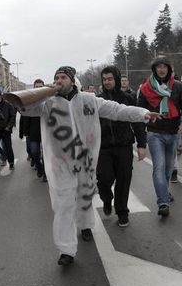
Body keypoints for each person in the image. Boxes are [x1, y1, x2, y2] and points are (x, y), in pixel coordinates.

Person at [19, 66, 158, 266]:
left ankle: (85, 225)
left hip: (86, 159)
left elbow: (117, 109)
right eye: (56, 77)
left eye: (63, 77)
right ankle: (66, 249)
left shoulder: (88, 99)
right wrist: (46, 91)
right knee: (63, 205)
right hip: (60, 164)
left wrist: (143, 113)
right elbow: (23, 107)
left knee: (85, 196)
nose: (59, 80)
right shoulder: (47, 104)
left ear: (72, 80)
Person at [137, 56, 182, 217]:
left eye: (164, 67)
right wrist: (141, 134)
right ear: (154, 70)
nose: (161, 69)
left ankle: (165, 191)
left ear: (169, 69)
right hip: (155, 134)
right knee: (159, 167)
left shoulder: (178, 86)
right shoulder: (146, 89)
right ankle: (162, 202)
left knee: (169, 167)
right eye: (158, 67)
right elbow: (139, 111)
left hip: (173, 132)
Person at [96, 66, 147, 228]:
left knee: (124, 179)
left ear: (116, 79)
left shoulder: (128, 98)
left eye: (110, 79)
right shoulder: (98, 100)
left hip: (124, 145)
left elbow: (137, 121)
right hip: (103, 147)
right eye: (104, 79)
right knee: (104, 178)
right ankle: (106, 198)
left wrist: (141, 144)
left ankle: (122, 212)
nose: (107, 82)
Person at [19, 79, 46, 181]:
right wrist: (25, 133)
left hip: (45, 133)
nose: (38, 89)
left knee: (45, 156)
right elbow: (24, 118)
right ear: (34, 88)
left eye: (40, 87)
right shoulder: (30, 101)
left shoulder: (48, 100)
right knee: (34, 152)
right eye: (37, 87)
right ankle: (39, 168)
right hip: (33, 133)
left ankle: (45, 173)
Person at [0, 87, 16, 174]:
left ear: (1, 95)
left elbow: (12, 116)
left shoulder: (8, 105)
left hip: (6, 131)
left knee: (8, 148)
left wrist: (8, 126)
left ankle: (11, 162)